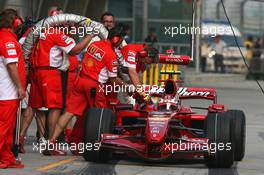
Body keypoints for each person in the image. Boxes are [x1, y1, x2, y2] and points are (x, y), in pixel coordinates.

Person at [45, 27, 127, 155]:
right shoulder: (111, 55)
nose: (121, 43)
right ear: (116, 39)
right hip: (94, 86)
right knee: (101, 117)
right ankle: (99, 147)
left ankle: (51, 142)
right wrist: (128, 86)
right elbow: (113, 79)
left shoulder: (94, 44)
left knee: (69, 113)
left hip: (80, 81)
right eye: (121, 40)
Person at [0, 8, 25, 169]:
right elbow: (11, 66)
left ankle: (6, 158)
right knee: (3, 127)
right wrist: (20, 87)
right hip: (6, 92)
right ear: (14, 22)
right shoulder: (8, 39)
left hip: (7, 92)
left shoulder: (5, 37)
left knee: (8, 130)